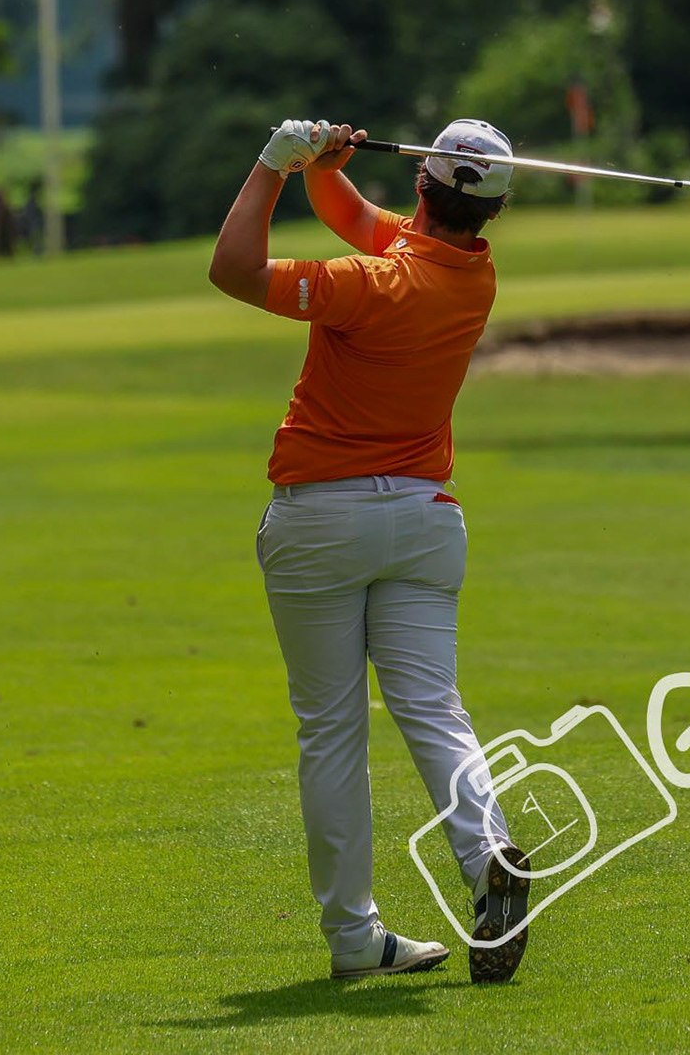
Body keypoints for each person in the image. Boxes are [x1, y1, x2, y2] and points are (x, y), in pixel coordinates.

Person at [208, 118, 531, 984]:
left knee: (332, 731)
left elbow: (232, 270)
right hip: (424, 522)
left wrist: (273, 165)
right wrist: (324, 170)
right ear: (491, 211)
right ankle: (487, 852)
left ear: (422, 183)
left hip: (321, 521)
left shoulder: (368, 284)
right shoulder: (471, 273)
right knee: (433, 708)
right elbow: (357, 219)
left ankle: (355, 937)